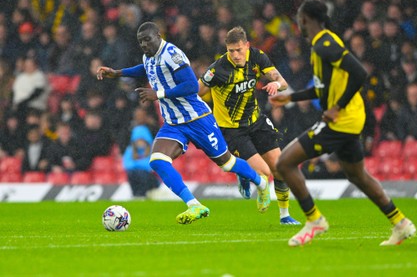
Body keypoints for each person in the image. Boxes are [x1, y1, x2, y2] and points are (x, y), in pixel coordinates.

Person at [269, 0, 416, 247]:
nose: (298, 24)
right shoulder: (322, 44)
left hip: (341, 120)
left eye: (299, 20)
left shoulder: (325, 45)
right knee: (357, 175)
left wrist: (337, 107)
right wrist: (291, 97)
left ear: (305, 20)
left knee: (284, 162)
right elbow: (322, 89)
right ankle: (400, 223)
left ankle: (314, 219)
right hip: (350, 118)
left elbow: (359, 73)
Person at [96, 22, 270, 224]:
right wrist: (117, 73)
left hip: (197, 118)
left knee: (227, 163)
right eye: (140, 41)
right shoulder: (149, 57)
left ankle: (261, 183)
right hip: (174, 123)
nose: (144, 44)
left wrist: (158, 94)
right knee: (158, 161)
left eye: (147, 39)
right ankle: (195, 205)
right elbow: (146, 68)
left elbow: (191, 86)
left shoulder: (172, 54)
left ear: (158, 36)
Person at [198, 26, 300, 225]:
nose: (235, 55)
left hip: (256, 121)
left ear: (247, 45)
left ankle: (285, 216)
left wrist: (276, 85)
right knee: (264, 172)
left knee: (279, 168)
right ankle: (244, 174)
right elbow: (196, 91)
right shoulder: (218, 69)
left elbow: (283, 81)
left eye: (238, 50)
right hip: (232, 129)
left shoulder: (257, 57)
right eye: (231, 51)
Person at [122, 125, 160, 199]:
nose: (140, 143)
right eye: (138, 141)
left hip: (152, 179)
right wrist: (142, 164)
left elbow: (151, 166)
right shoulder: (130, 150)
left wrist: (136, 164)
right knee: (132, 173)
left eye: (142, 140)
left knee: (141, 173)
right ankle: (137, 195)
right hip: (136, 176)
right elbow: (127, 165)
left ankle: (144, 194)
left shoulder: (154, 150)